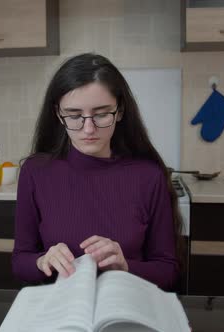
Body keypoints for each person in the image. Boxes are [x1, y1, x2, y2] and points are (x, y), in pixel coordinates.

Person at [12, 53, 183, 291]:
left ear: (120, 110)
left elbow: (167, 270)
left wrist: (125, 266)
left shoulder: (149, 176)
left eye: (102, 113)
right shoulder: (35, 172)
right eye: (74, 115)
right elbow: (20, 260)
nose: (88, 129)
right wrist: (41, 261)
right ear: (58, 114)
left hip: (127, 306)